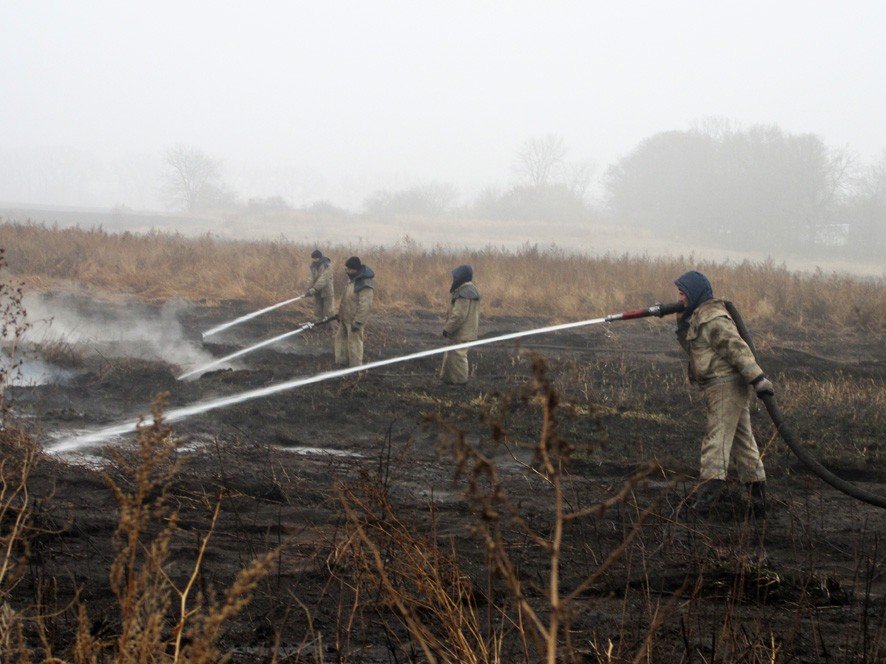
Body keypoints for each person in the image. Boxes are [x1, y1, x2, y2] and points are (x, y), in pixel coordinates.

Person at [674, 270, 774, 517]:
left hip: (724, 385)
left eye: (683, 294)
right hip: (721, 384)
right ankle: (758, 499)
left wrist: (758, 378)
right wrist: (681, 321)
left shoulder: (713, 318)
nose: (680, 298)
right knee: (743, 441)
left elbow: (737, 349)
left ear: (695, 293)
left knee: (715, 439)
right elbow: (694, 349)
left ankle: (706, 502)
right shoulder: (700, 317)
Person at [440, 264, 481, 384]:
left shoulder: (464, 292)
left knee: (459, 356)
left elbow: (459, 315)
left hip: (461, 332)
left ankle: (461, 381)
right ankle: (450, 380)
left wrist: (447, 329)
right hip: (464, 331)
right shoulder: (470, 289)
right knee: (453, 355)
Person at [335, 256, 375, 367]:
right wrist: (340, 314)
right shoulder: (352, 281)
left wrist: (358, 322)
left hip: (354, 319)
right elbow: (346, 299)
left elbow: (365, 305)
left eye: (349, 269)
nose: (347, 271)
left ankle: (355, 367)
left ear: (354, 269)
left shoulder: (365, 284)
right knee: (340, 340)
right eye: (346, 269)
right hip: (345, 317)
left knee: (355, 344)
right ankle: (341, 363)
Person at [305, 249, 335, 321]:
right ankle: (318, 325)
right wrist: (308, 289)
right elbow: (311, 278)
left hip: (326, 291)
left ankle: (329, 328)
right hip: (317, 292)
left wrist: (314, 288)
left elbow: (324, 279)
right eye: (313, 258)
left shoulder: (327, 265)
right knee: (318, 310)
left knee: (328, 311)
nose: (314, 260)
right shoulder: (313, 266)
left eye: (316, 258)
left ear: (320, 258)